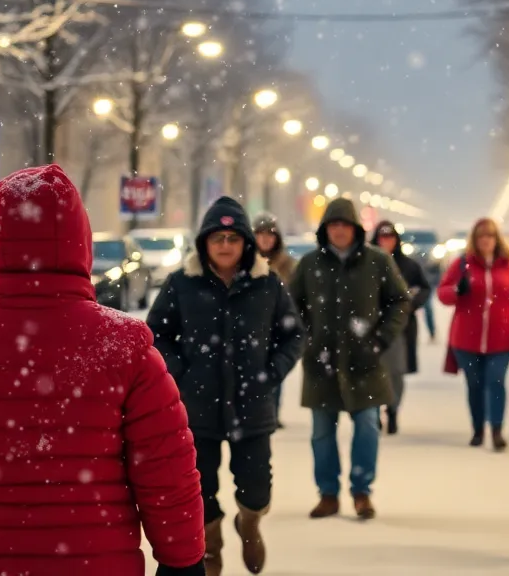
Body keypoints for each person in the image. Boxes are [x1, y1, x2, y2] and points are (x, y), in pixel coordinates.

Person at [0, 165, 206, 575]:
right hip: (96, 561)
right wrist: (182, 559)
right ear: (80, 242)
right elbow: (167, 469)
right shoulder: (123, 344)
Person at [149, 197, 303, 576]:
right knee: (199, 490)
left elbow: (293, 335)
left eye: (233, 238)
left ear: (246, 243)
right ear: (204, 242)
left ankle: (249, 523)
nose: (224, 246)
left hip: (253, 408)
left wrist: (271, 373)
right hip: (196, 408)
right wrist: (181, 374)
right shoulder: (183, 283)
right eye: (217, 237)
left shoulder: (267, 284)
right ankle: (211, 543)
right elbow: (156, 334)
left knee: (256, 489)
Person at [289, 198, 412, 520]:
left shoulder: (377, 262)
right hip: (321, 363)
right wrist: (307, 339)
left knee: (368, 426)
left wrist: (381, 338)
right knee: (321, 433)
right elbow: (290, 307)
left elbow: (400, 300)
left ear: (356, 229)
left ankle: (361, 491)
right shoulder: (310, 264)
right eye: (333, 225)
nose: (339, 231)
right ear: (325, 229)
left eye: (344, 225)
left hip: (365, 362)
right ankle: (327, 493)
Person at [436, 217, 509, 451]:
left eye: (489, 236)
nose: (485, 241)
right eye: (481, 236)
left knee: (496, 381)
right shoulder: (462, 265)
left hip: (501, 339)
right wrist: (457, 290)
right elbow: (442, 293)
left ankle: (497, 429)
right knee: (475, 385)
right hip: (466, 339)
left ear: (496, 239)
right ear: (474, 240)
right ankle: (478, 428)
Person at [370, 220, 432, 435]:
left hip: (400, 328)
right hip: (372, 327)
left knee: (396, 373)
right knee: (373, 371)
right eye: (382, 238)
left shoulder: (409, 266)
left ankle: (393, 409)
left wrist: (411, 304)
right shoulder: (366, 263)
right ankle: (373, 411)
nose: (386, 242)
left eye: (390, 238)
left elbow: (424, 288)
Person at [252, 212, 299, 428]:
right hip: (253, 326)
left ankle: (272, 412)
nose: (265, 240)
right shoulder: (246, 262)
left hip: (278, 326)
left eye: (270, 235)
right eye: (261, 235)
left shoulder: (287, 265)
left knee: (275, 370)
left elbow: (297, 295)